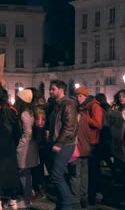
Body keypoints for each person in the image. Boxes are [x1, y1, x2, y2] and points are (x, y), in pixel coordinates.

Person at [47, 80, 79, 210]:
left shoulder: (68, 104)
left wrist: (59, 143)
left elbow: (70, 127)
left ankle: (67, 204)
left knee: (56, 175)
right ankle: (61, 204)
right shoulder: (57, 104)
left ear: (61, 90)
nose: (50, 91)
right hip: (58, 143)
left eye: (52, 89)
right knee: (56, 175)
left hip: (65, 144)